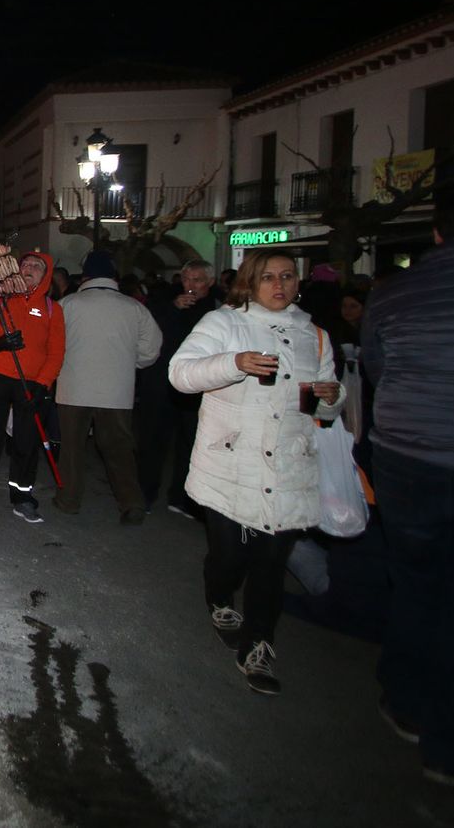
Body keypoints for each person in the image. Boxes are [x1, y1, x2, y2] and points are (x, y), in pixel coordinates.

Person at [169, 250, 341, 695]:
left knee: (270, 564)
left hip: (287, 468)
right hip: (230, 463)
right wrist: (234, 364)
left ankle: (258, 644)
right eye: (268, 277)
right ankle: (220, 596)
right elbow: (180, 374)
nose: (279, 284)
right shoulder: (224, 324)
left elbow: (329, 404)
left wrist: (330, 396)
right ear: (250, 281)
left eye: (287, 276)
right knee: (230, 556)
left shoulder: (315, 336)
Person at [360, 190, 454, 784]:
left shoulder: (394, 294)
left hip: (406, 458)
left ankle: (404, 699)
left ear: (438, 233)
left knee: (418, 584)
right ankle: (446, 740)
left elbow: (377, 369)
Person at [53, 250, 162, 522]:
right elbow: (151, 350)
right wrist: (128, 365)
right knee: (119, 449)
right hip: (117, 391)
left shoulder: (68, 305)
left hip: (73, 388)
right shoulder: (134, 307)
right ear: (113, 275)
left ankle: (69, 499)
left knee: (72, 448)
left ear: (85, 276)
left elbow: (53, 345)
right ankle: (131, 502)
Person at [0, 252, 66, 523]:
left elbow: (56, 353)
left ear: (46, 274)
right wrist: (1, 344)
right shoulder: (1, 299)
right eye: (26, 264)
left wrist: (43, 385)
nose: (29, 268)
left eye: (37, 266)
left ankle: (22, 496)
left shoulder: (53, 309)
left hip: (30, 383)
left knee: (26, 441)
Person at [139, 259, 223, 516]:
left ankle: (182, 496)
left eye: (197, 280)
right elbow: (149, 331)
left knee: (192, 442)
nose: (190, 285)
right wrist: (173, 309)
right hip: (163, 382)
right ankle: (145, 494)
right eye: (186, 279)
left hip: (199, 385)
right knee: (153, 440)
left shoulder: (219, 308)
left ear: (209, 282)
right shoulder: (164, 299)